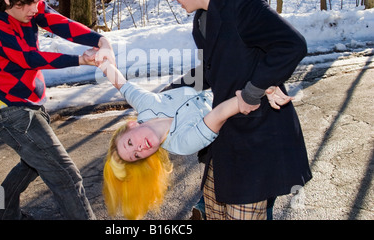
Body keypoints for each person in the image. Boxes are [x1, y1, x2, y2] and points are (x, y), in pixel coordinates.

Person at [156, 0, 312, 220]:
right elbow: (209, 71)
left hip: (259, 136)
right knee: (214, 214)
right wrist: (166, 95)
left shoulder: (242, 3)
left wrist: (253, 91)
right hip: (226, 140)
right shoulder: (201, 20)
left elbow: (291, 45)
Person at [0, 0, 115, 220]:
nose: (34, 10)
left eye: (37, 1)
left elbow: (60, 24)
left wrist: (100, 40)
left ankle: (0, 211)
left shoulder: (30, 6)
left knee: (32, 164)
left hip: (32, 104)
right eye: (27, 5)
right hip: (9, 109)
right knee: (66, 175)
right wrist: (80, 59)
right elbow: (27, 58)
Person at [82, 50, 291, 219]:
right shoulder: (182, 143)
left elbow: (122, 85)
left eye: (129, 143)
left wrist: (101, 62)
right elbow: (220, 114)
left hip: (220, 82)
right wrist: (257, 89)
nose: (138, 149)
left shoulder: (146, 105)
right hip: (241, 119)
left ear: (132, 126)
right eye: (136, 155)